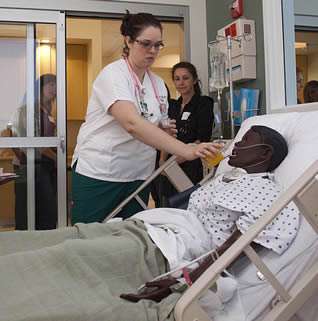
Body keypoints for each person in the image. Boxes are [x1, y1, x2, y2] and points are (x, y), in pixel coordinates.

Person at [0, 125, 300, 320]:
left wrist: (184, 278)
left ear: (265, 153)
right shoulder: (228, 177)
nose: (236, 144)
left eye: (246, 140)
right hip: (151, 229)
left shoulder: (267, 192)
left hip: (166, 249)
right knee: (69, 237)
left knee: (66, 256)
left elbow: (237, 248)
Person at [70, 11, 221, 225]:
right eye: (146, 44)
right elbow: (132, 124)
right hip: (100, 172)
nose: (153, 51)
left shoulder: (158, 84)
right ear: (129, 41)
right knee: (87, 239)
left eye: (158, 45)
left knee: (131, 239)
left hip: (138, 176)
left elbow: (152, 125)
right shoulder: (113, 75)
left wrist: (162, 130)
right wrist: (187, 150)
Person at [156, 62, 214, 207]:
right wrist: (163, 162)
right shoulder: (172, 106)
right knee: (164, 205)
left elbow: (202, 139)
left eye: (185, 78)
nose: (181, 82)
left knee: (186, 205)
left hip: (191, 164)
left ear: (194, 80)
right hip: (167, 166)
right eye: (177, 79)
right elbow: (166, 135)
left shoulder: (203, 103)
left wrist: (174, 162)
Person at [9, 73, 57, 230]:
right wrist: (58, 158)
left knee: (45, 211)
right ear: (40, 88)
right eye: (50, 84)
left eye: (56, 85)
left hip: (44, 166)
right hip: (30, 166)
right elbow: (37, 142)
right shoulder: (29, 109)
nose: (54, 88)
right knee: (29, 212)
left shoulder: (47, 110)